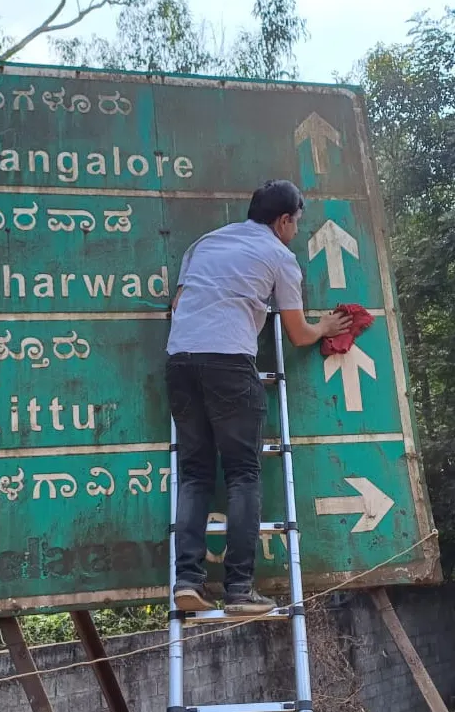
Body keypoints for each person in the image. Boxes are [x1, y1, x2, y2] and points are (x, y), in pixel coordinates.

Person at [165, 179, 353, 614]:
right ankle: (238, 590)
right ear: (283, 220)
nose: (295, 232)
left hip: (180, 363)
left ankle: (187, 581)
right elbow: (298, 333)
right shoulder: (279, 257)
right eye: (296, 223)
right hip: (229, 364)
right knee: (243, 474)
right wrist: (325, 327)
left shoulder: (205, 243)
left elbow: (178, 305)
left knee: (194, 475)